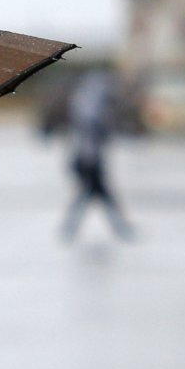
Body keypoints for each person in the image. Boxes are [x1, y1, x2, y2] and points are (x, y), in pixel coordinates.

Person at [61, 67, 134, 241]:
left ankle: (70, 228)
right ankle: (121, 228)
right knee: (97, 195)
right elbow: (94, 131)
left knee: (91, 195)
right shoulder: (89, 106)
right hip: (88, 160)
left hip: (89, 159)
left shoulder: (85, 102)